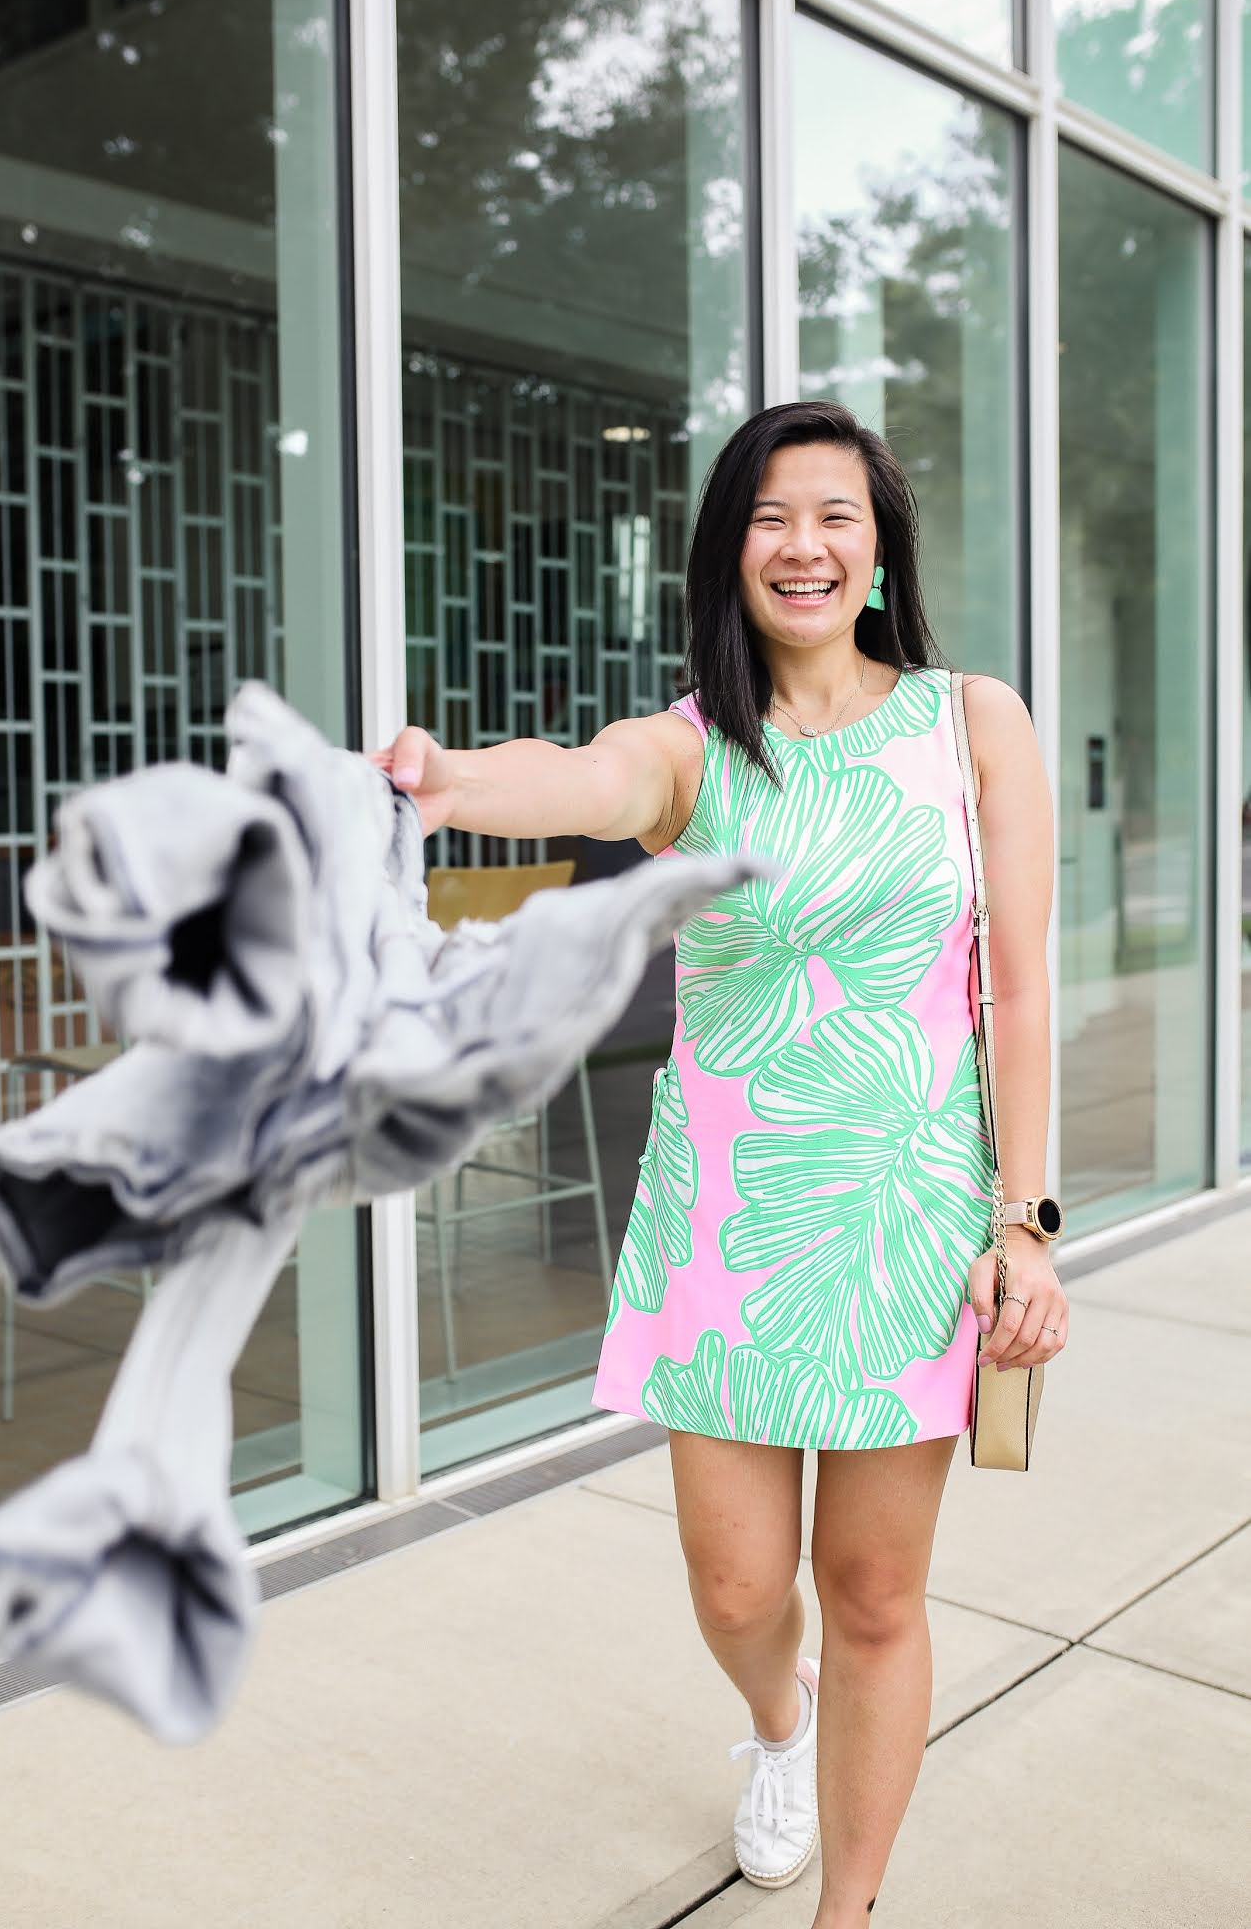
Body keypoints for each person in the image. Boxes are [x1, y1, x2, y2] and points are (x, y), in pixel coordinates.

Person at [372, 400, 1066, 1926]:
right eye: (767, 516)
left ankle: (851, 1909)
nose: (800, 543)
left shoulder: (972, 722)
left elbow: (1013, 979)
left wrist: (1023, 1219)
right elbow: (586, 777)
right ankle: (776, 1719)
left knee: (878, 1594)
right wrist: (454, 783)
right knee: (740, 1592)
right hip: (725, 1227)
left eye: (831, 513)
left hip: (907, 1214)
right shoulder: (692, 744)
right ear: (727, 554)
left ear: (875, 545)